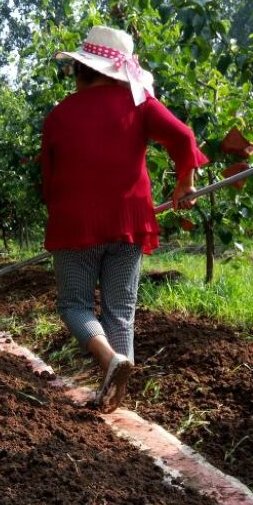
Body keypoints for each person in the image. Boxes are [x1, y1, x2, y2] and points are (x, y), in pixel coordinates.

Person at [40, 24, 208, 412]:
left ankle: (108, 360)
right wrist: (185, 183)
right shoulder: (140, 103)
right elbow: (184, 138)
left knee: (76, 306)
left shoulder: (59, 116)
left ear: (84, 71)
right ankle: (117, 398)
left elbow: (48, 183)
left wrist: (61, 212)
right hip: (130, 222)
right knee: (120, 310)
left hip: (75, 224)